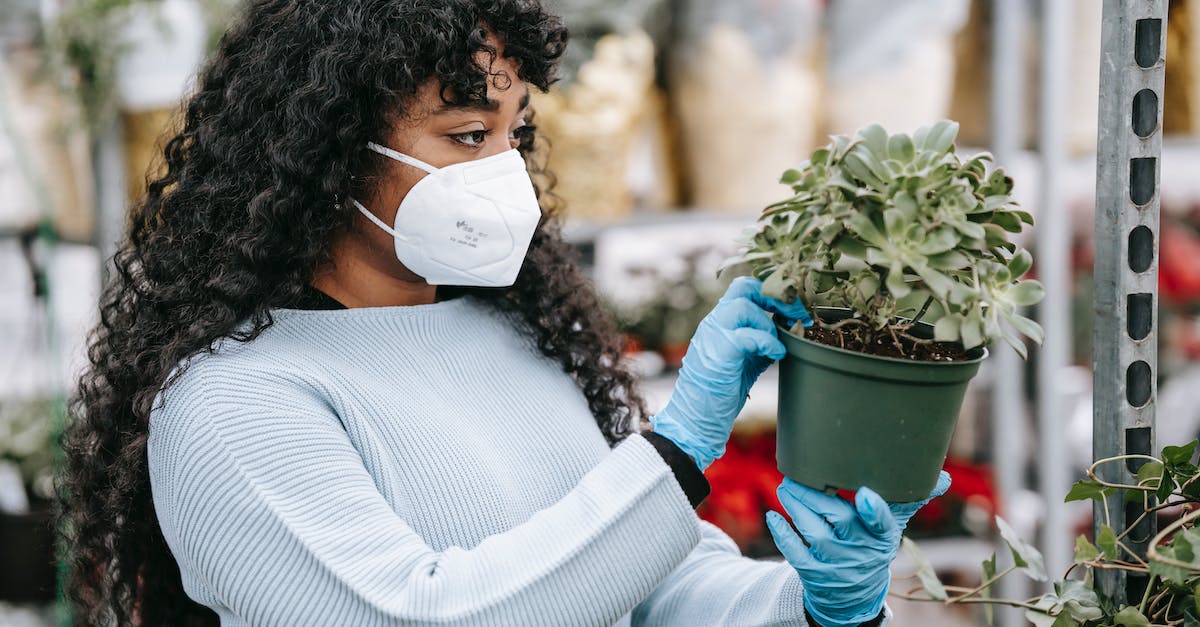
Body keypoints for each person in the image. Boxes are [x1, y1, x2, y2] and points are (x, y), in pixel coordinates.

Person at [62, 1, 948, 625]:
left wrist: (814, 602)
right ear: (326, 156)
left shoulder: (508, 335)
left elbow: (645, 589)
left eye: (516, 134)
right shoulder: (234, 403)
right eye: (466, 136)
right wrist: (674, 452)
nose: (505, 170)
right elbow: (416, 616)